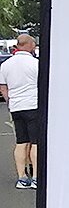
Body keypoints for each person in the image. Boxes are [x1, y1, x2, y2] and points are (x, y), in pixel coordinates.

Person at [0, 33, 39, 188]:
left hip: (16, 107)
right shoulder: (35, 64)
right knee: (35, 143)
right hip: (33, 105)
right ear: (28, 45)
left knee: (21, 142)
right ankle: (36, 177)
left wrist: (11, 101)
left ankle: (22, 178)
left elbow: (3, 88)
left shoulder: (6, 65)